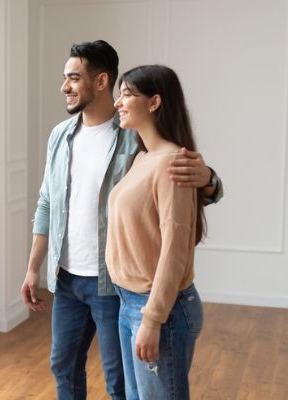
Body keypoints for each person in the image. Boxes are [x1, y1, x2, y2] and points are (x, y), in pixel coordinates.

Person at [20, 40, 222, 400]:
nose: (64, 87)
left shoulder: (136, 137)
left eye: (73, 78)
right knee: (63, 367)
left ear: (100, 82)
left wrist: (207, 178)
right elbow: (47, 202)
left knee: (120, 383)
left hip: (112, 284)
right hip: (66, 278)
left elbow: (188, 188)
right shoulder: (60, 136)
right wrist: (34, 267)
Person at [106, 64, 205, 399]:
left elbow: (174, 249)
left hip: (158, 309)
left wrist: (152, 319)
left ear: (154, 102)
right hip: (128, 302)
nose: (118, 102)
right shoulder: (142, 158)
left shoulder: (171, 162)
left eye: (127, 94)